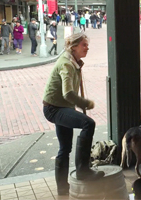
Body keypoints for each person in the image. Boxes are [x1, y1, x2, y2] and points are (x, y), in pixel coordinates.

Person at [43, 32, 105, 195]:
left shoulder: (73, 61)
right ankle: (83, 170)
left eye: (87, 44)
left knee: (65, 148)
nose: (87, 47)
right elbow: (68, 93)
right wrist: (86, 104)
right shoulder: (67, 64)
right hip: (54, 108)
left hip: (61, 107)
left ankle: (62, 189)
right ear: (74, 46)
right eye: (84, 44)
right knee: (88, 123)